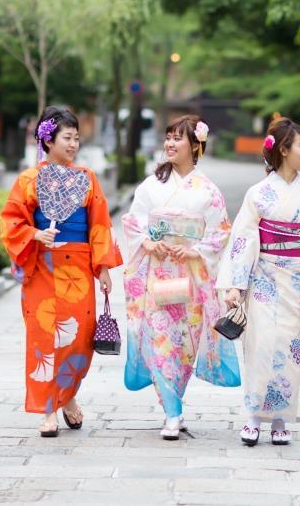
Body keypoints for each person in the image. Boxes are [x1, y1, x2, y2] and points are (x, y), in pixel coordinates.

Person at [0, 105, 121, 438]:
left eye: (76, 138)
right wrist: (35, 234)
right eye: (67, 137)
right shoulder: (28, 179)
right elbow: (11, 220)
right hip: (42, 266)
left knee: (79, 339)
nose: (73, 144)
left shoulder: (87, 178)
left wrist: (105, 267)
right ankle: (48, 409)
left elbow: (100, 224)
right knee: (44, 339)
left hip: (80, 267)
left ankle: (68, 397)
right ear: (47, 139)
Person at [119, 114, 240, 440]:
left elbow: (221, 232)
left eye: (177, 138)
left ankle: (176, 403)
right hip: (157, 275)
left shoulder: (208, 191)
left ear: (195, 145)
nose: (170, 144)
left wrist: (197, 250)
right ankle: (172, 413)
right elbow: (133, 221)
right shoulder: (151, 185)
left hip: (190, 277)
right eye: (168, 137)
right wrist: (147, 242)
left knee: (184, 345)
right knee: (161, 343)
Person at [218, 118, 300, 447]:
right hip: (265, 279)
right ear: (283, 150)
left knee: (291, 350)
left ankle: (282, 418)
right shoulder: (259, 194)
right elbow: (243, 239)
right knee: (261, 346)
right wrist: (235, 285)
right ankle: (253, 417)